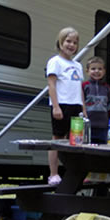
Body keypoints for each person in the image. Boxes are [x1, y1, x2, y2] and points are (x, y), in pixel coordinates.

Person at [46, 27, 85, 186]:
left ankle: (73, 172)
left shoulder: (78, 65)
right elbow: (51, 84)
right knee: (57, 139)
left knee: (75, 140)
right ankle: (53, 174)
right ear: (60, 42)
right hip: (62, 104)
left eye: (75, 42)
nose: (71, 45)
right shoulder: (55, 61)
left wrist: (83, 108)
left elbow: (79, 88)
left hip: (76, 105)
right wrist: (56, 106)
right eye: (68, 41)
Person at [82, 56, 110, 144]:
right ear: (87, 71)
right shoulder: (84, 86)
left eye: (100, 69)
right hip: (87, 126)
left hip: (103, 127)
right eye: (93, 69)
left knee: (103, 149)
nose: (97, 71)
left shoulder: (107, 88)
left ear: (104, 71)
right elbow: (80, 105)